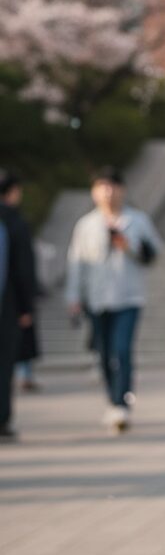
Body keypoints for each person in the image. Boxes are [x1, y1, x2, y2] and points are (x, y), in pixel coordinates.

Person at [65, 168, 162, 433]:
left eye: (111, 186)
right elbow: (76, 263)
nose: (107, 192)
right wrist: (73, 296)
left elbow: (154, 252)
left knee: (121, 349)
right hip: (96, 299)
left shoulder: (137, 220)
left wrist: (128, 246)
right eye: (101, 187)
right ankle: (112, 399)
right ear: (94, 192)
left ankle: (121, 403)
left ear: (122, 190)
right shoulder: (86, 225)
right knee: (104, 352)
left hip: (129, 297)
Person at [0, 171, 36, 441]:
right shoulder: (14, 222)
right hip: (7, 306)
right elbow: (23, 270)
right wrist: (26, 307)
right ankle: (3, 419)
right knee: (4, 366)